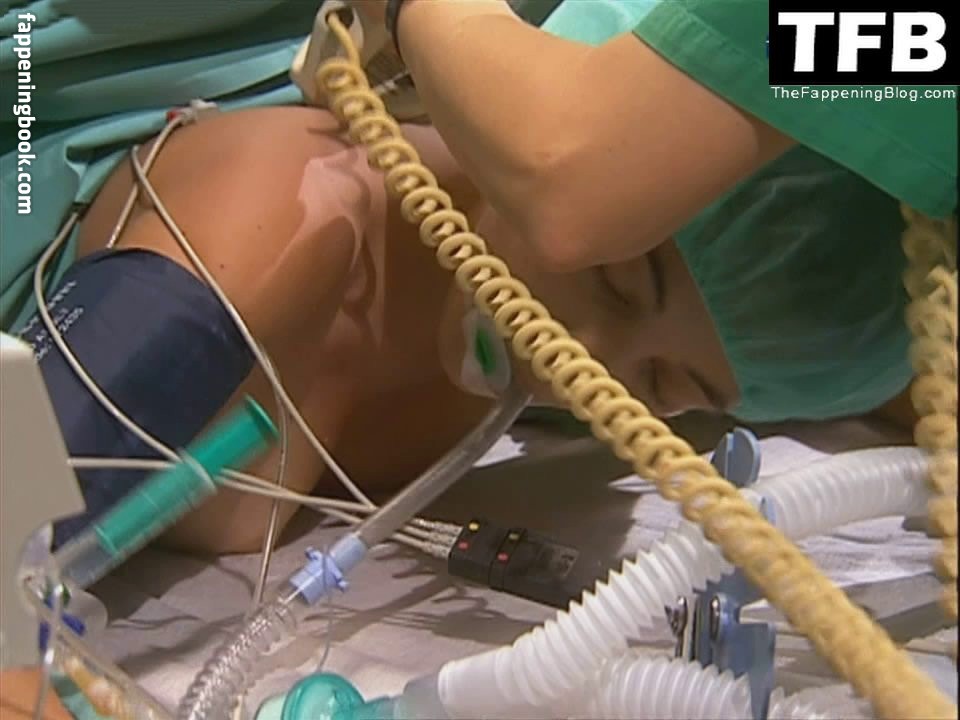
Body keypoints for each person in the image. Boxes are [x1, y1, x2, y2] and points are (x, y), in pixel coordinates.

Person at [18, 100, 925, 558]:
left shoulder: (619, 339)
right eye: (615, 285)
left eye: (666, 386)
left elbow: (839, 340)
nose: (581, 372)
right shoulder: (277, 227)